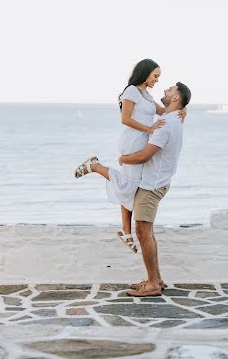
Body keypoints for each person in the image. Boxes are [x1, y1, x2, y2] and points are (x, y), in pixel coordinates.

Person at [75, 82, 191, 297]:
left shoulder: (166, 124)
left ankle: (154, 284)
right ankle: (154, 278)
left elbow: (144, 156)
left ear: (176, 98)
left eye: (170, 90)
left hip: (152, 185)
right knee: (146, 231)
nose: (165, 90)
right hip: (157, 181)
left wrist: (123, 158)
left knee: (143, 232)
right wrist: (184, 109)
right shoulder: (174, 118)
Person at [74, 59, 186, 253]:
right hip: (132, 142)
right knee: (127, 186)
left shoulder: (148, 96)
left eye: (159, 77)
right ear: (146, 73)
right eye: (155, 76)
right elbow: (125, 119)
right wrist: (149, 128)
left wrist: (183, 110)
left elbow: (165, 112)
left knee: (130, 188)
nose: (157, 80)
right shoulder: (131, 91)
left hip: (143, 143)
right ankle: (95, 166)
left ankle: (125, 230)